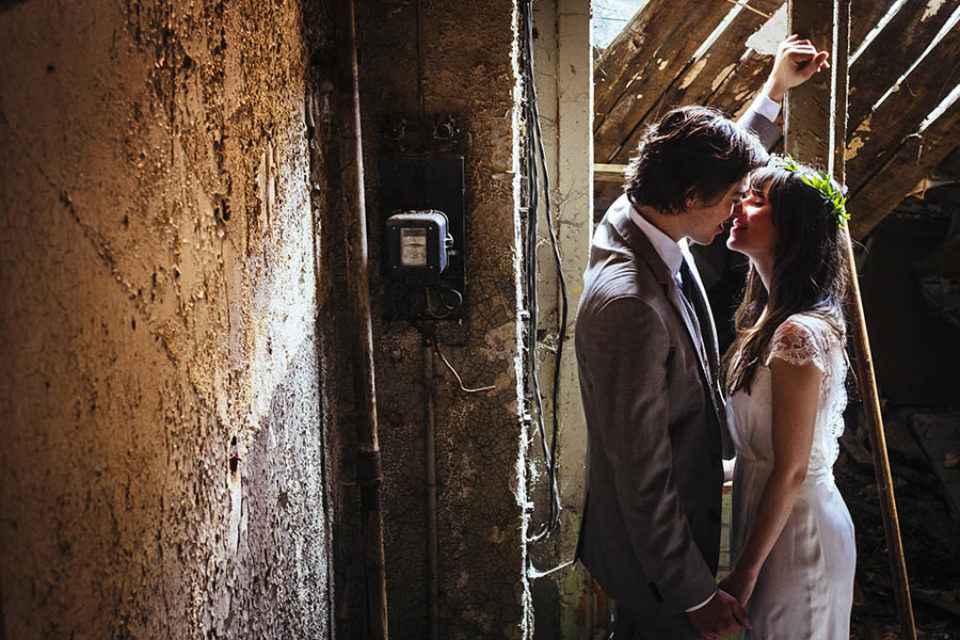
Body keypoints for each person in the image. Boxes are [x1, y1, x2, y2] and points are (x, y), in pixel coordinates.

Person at [575, 37, 829, 639]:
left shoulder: (638, 214)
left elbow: (709, 168)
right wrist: (693, 596)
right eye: (733, 199)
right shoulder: (631, 307)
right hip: (657, 575)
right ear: (691, 198)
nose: (737, 212)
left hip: (664, 550)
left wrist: (773, 93)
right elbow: (643, 474)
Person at [719, 158, 855, 638]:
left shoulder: (799, 331)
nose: (739, 206)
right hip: (766, 518)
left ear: (793, 228)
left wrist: (744, 573)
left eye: (758, 201)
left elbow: (793, 467)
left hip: (799, 533)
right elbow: (761, 452)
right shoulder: (768, 321)